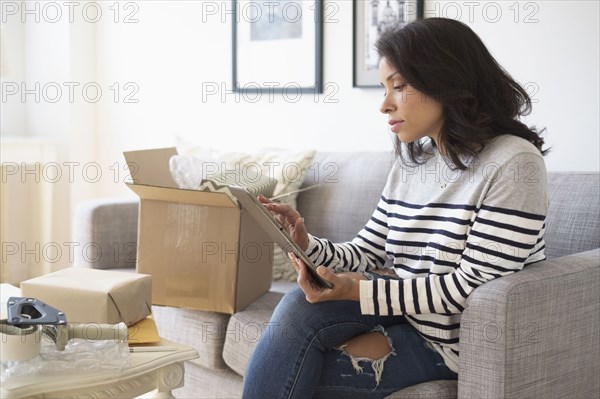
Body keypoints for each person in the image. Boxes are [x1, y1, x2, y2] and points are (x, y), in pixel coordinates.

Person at [242, 17, 548, 399]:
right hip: (404, 310)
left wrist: (356, 291)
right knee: (295, 304)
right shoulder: (414, 160)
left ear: (446, 80)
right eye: (385, 88)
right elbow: (368, 250)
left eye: (399, 86)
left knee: (297, 374)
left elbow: (468, 290)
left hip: (451, 342)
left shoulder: (514, 163)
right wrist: (306, 243)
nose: (385, 105)